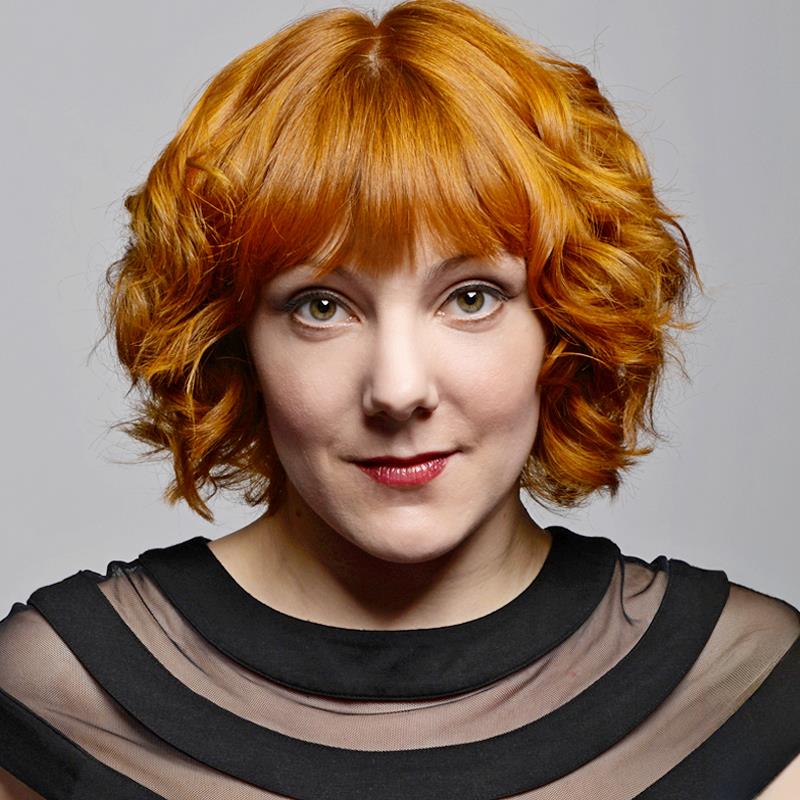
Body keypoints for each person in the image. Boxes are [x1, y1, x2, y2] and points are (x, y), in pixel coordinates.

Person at [0, 1, 797, 797]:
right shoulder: (62, 694)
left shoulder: (745, 690)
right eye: (321, 306)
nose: (398, 389)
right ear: (232, 338)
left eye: (472, 297)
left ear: (565, 323)